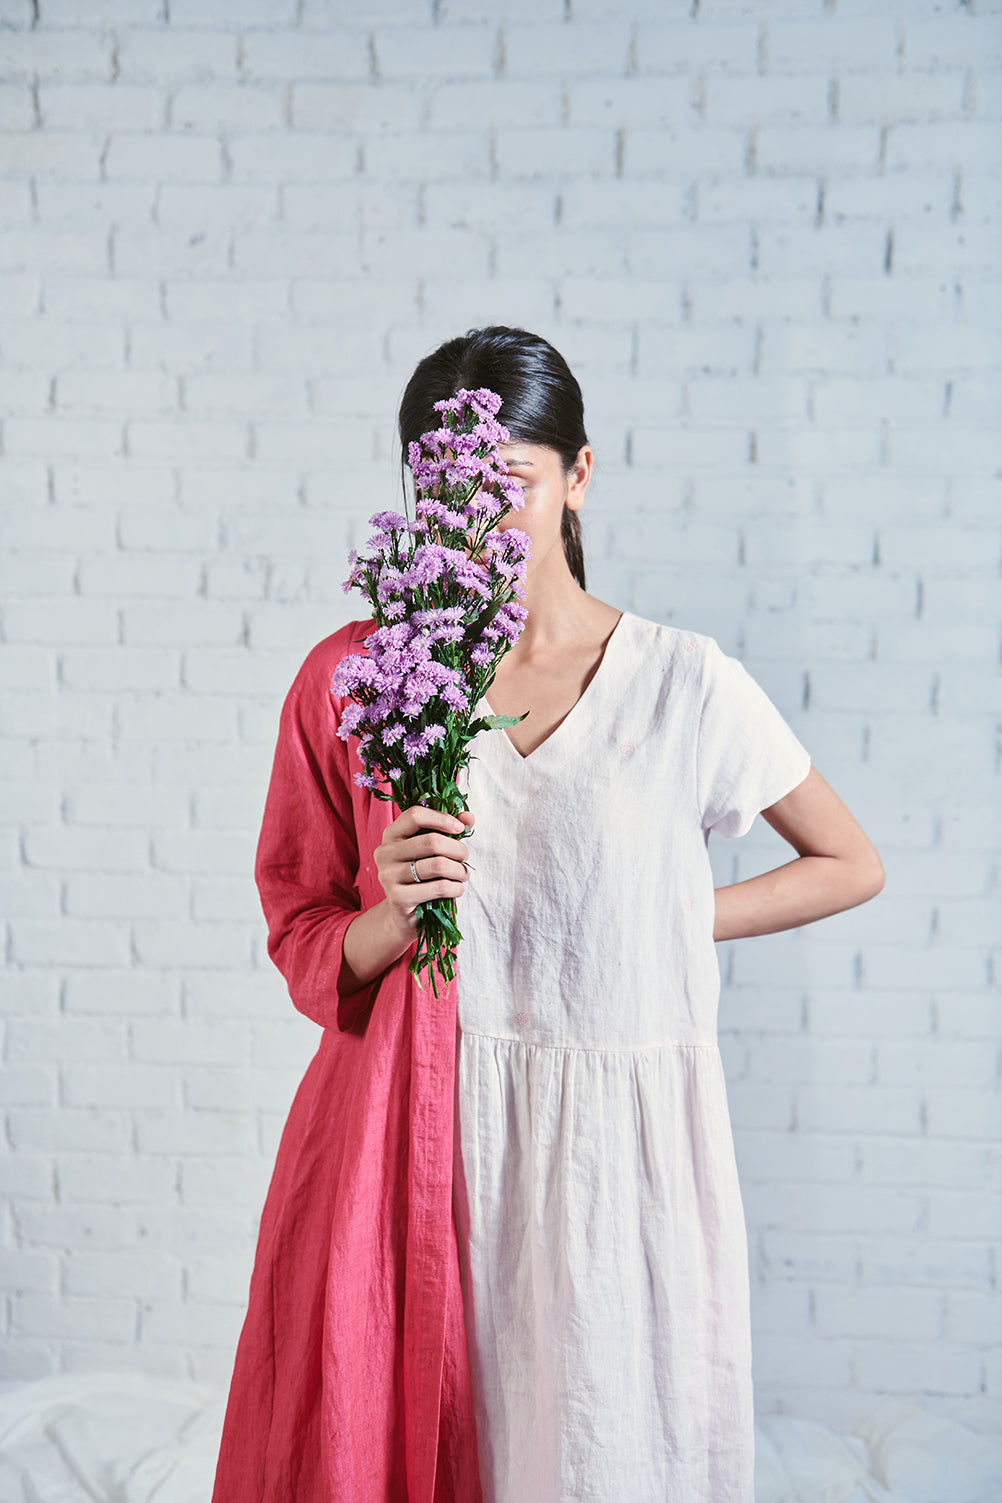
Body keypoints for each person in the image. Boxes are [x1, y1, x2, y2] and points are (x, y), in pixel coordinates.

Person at [211, 325, 885, 1503]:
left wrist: (665, 915)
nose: (475, 519)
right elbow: (302, 926)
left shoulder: (684, 682)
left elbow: (847, 861)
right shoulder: (360, 679)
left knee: (595, 1448)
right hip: (408, 1152)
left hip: (609, 1167)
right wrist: (390, 907)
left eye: (507, 483)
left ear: (579, 474)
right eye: (443, 491)